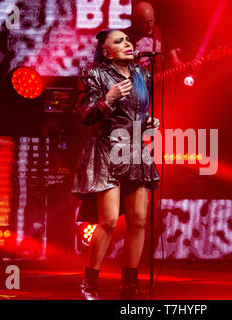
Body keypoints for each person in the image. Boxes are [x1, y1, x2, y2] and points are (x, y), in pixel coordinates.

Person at [72, 29, 160, 300]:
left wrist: (148, 122)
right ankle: (89, 283)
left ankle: (130, 284)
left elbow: (138, 111)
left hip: (135, 149)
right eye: (120, 41)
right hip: (107, 149)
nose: (129, 44)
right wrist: (107, 99)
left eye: (129, 40)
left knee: (139, 221)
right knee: (108, 220)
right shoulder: (95, 74)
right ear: (107, 51)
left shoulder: (142, 74)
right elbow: (85, 115)